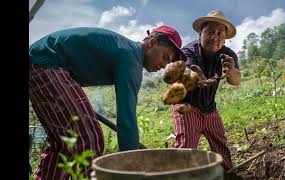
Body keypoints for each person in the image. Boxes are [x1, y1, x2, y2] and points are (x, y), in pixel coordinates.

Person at [29, 25, 186, 179]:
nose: (165, 65)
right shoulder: (131, 59)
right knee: (89, 139)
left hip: (40, 63)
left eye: (169, 62)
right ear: (152, 43)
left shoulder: (127, 52)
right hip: (45, 63)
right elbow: (126, 119)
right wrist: (133, 163)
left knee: (65, 144)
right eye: (165, 57)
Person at [172, 10, 241, 172]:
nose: (214, 37)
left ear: (225, 39)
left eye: (220, 34)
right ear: (200, 33)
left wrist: (231, 71)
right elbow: (185, 71)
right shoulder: (188, 51)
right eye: (210, 32)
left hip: (210, 108)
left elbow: (236, 81)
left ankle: (227, 175)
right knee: (186, 149)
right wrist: (196, 77)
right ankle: (180, 175)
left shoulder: (228, 55)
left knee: (221, 147)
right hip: (186, 106)